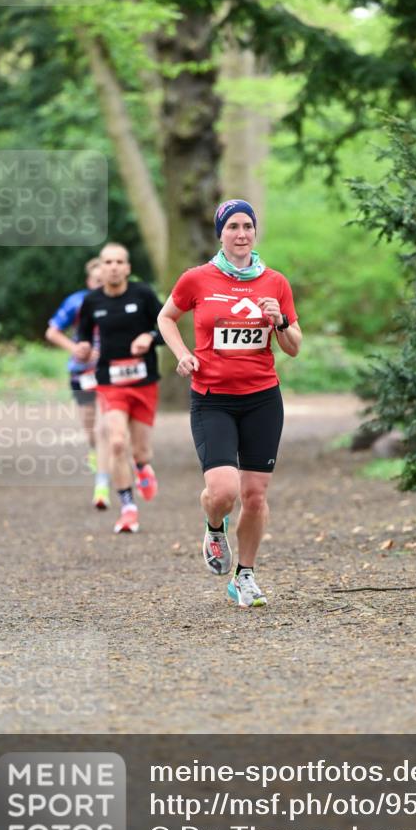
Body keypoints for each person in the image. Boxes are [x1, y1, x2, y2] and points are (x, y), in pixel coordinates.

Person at [157, 198, 301, 608]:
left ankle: (245, 576)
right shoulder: (197, 279)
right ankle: (214, 524)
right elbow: (166, 317)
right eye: (233, 227)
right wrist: (182, 353)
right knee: (223, 492)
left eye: (247, 226)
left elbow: (293, 347)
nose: (241, 234)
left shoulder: (275, 283)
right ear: (220, 233)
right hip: (212, 400)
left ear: (255, 232)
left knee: (254, 495)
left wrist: (280, 321)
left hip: (262, 400)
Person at [74, 243, 163, 534]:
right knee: (116, 442)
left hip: (143, 381)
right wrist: (83, 347)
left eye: (118, 262)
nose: (113, 267)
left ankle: (142, 467)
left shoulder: (143, 294)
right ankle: (128, 508)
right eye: (108, 262)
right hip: (110, 382)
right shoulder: (92, 301)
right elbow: (84, 335)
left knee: (140, 450)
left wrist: (150, 338)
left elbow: (165, 327)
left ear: (127, 268)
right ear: (100, 268)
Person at [45, 258, 110, 509]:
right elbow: (52, 332)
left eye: (104, 280)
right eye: (96, 280)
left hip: (111, 372)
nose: (100, 284)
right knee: (90, 426)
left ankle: (103, 483)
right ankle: (95, 450)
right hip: (82, 373)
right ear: (88, 281)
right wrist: (76, 350)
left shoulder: (119, 301)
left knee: (106, 425)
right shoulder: (76, 302)